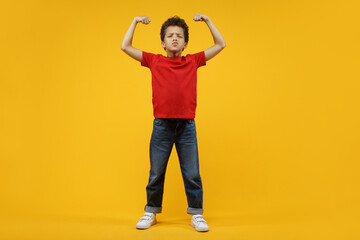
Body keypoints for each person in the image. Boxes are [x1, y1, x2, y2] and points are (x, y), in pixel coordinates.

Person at [121, 13, 226, 232]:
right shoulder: (154, 60)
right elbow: (125, 46)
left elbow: (220, 44)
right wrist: (135, 22)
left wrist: (207, 21)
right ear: (163, 42)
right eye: (170, 36)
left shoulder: (193, 61)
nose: (175, 38)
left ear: (186, 43)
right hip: (162, 126)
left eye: (179, 36)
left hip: (187, 126)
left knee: (192, 173)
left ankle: (196, 214)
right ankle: (151, 211)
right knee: (156, 172)